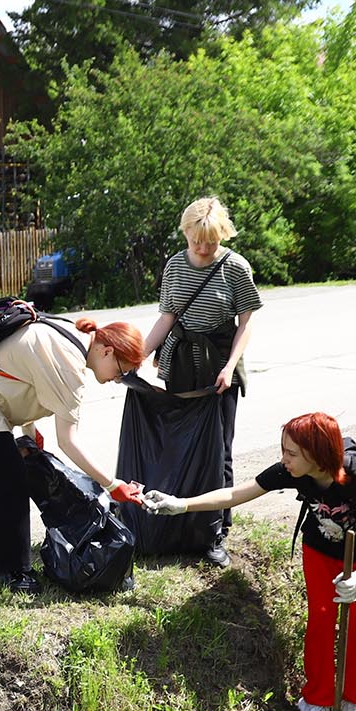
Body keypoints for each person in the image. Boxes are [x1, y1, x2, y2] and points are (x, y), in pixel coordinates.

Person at [142, 412, 356, 711]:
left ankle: (351, 700)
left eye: (291, 453)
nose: (284, 459)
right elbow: (236, 494)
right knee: (321, 618)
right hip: (320, 551)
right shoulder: (293, 472)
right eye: (283, 450)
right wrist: (181, 505)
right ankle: (316, 701)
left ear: (316, 454)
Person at [0, 313, 148, 594]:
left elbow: (23, 368)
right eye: (121, 370)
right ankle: (13, 571)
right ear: (107, 350)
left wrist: (29, 429)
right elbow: (69, 442)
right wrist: (113, 486)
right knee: (10, 480)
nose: (118, 379)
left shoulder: (68, 332)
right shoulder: (70, 365)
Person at [139, 196, 264, 568]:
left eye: (211, 241)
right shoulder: (175, 265)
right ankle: (180, 522)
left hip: (220, 361)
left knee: (218, 450)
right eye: (196, 240)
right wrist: (140, 355)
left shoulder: (236, 267)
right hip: (181, 360)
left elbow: (246, 322)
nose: (203, 248)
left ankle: (215, 533)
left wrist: (230, 366)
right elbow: (166, 317)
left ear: (222, 234)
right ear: (186, 233)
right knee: (180, 442)